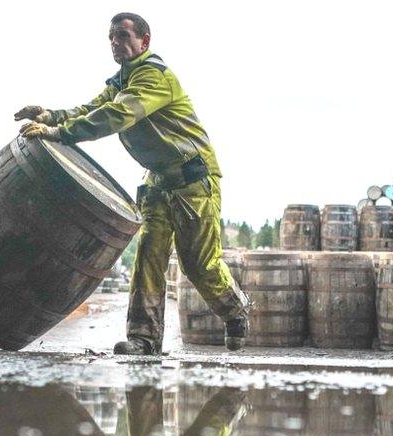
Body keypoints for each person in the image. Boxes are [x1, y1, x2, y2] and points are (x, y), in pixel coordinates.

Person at [15, 12, 249, 356]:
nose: (115, 43)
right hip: (158, 183)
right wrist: (53, 115)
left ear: (145, 40)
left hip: (193, 182)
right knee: (148, 259)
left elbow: (116, 115)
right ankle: (144, 339)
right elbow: (94, 106)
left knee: (198, 265)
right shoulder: (121, 81)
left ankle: (235, 309)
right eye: (111, 37)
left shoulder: (154, 78)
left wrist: (59, 133)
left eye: (123, 36)